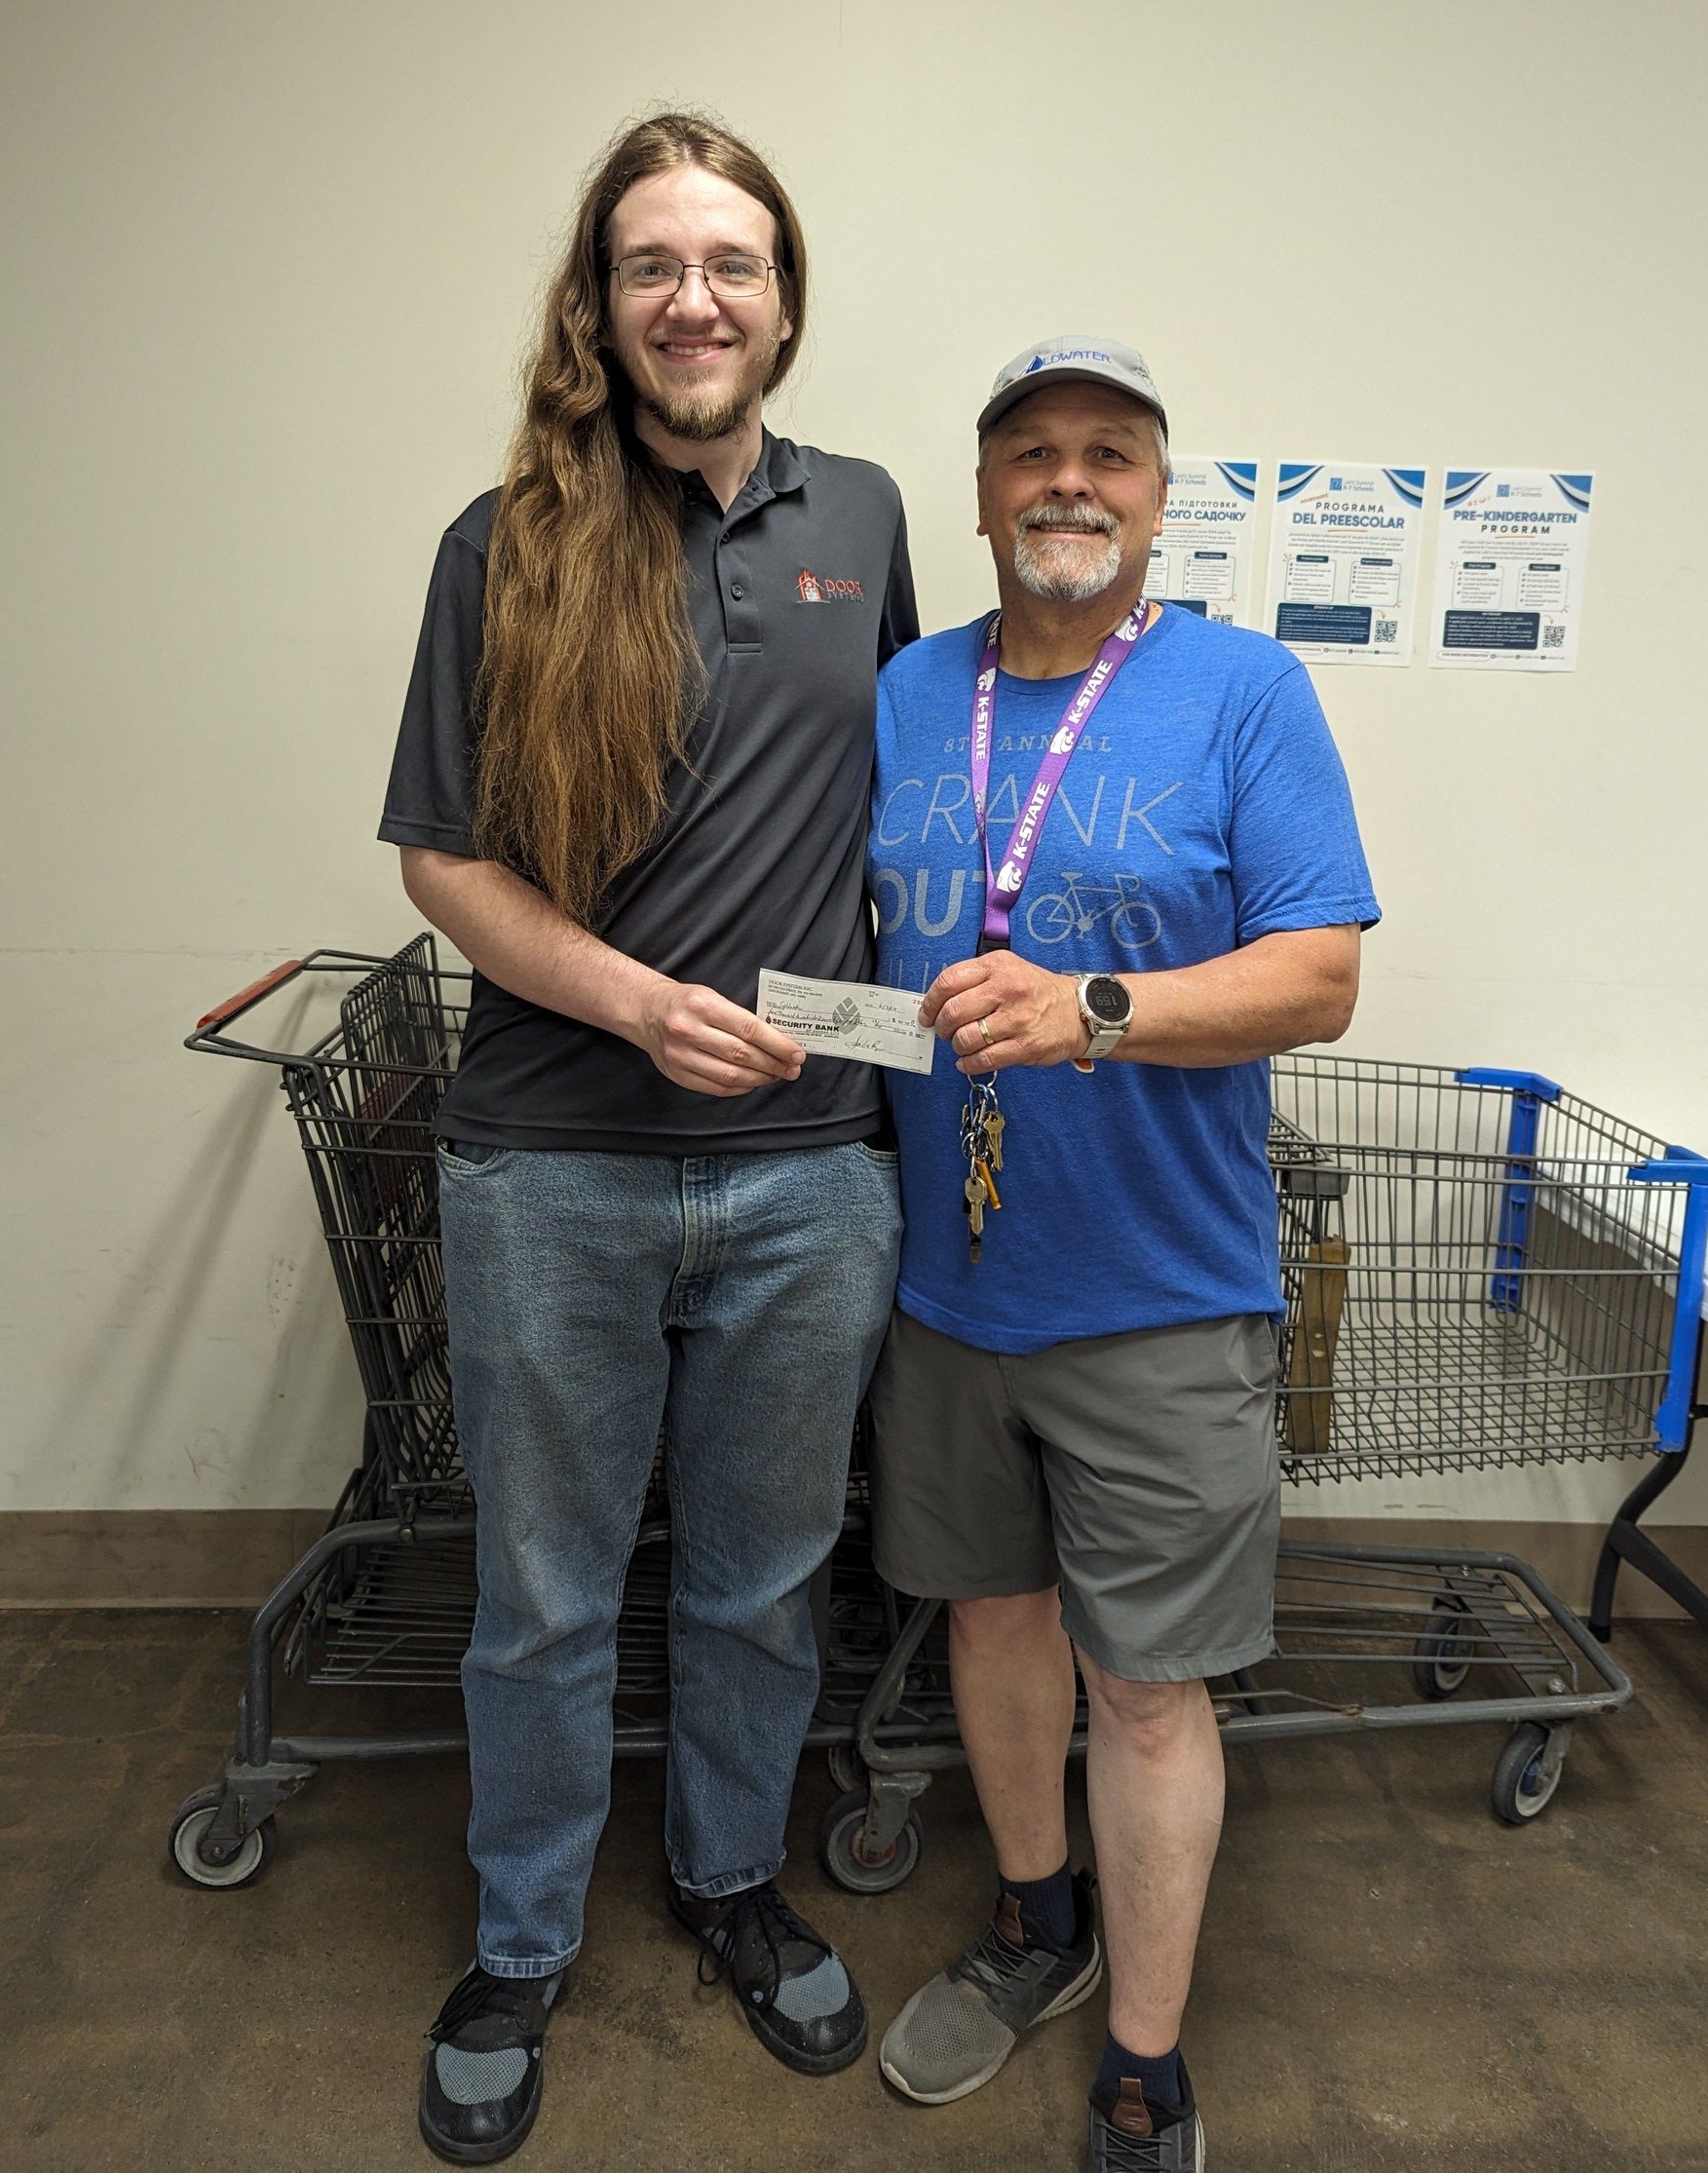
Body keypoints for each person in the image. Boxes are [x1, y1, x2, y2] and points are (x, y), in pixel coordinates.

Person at [380, 112, 915, 2164]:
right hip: (556, 1171)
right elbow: (445, 856)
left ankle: (723, 1880)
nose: (694, 298)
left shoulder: (857, 513)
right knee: (540, 1590)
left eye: (733, 262)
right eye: (650, 263)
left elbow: (908, 811)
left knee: (768, 1581)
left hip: (814, 1176)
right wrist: (633, 1003)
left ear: (784, 298)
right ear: (597, 304)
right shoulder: (499, 541)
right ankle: (521, 1940)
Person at [867, 338, 1379, 2171]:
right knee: (994, 1629)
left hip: (1163, 1294)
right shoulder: (909, 694)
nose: (1068, 483)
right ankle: (1033, 1923)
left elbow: (1318, 975)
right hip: (949, 1289)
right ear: (985, 488)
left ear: (1162, 495)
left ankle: (1146, 2063)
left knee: (1147, 1686)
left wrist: (1094, 1003)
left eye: (1110, 455)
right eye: (1031, 454)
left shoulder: (1248, 692)